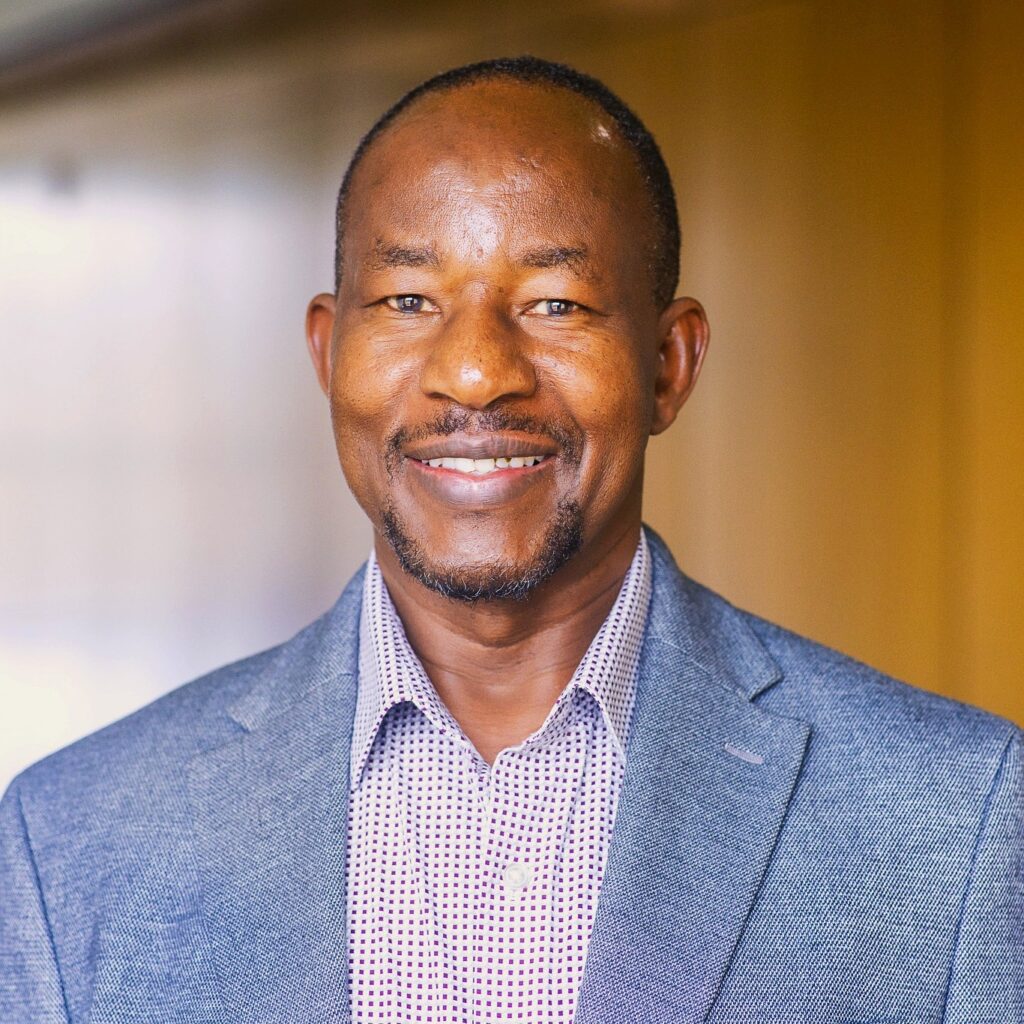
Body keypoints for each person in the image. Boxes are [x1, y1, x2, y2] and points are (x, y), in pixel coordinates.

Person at [1, 55, 1020, 1024]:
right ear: (328, 349)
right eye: (408, 300)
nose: (477, 373)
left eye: (554, 302)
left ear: (668, 364)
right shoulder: (75, 840)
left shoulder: (953, 822)